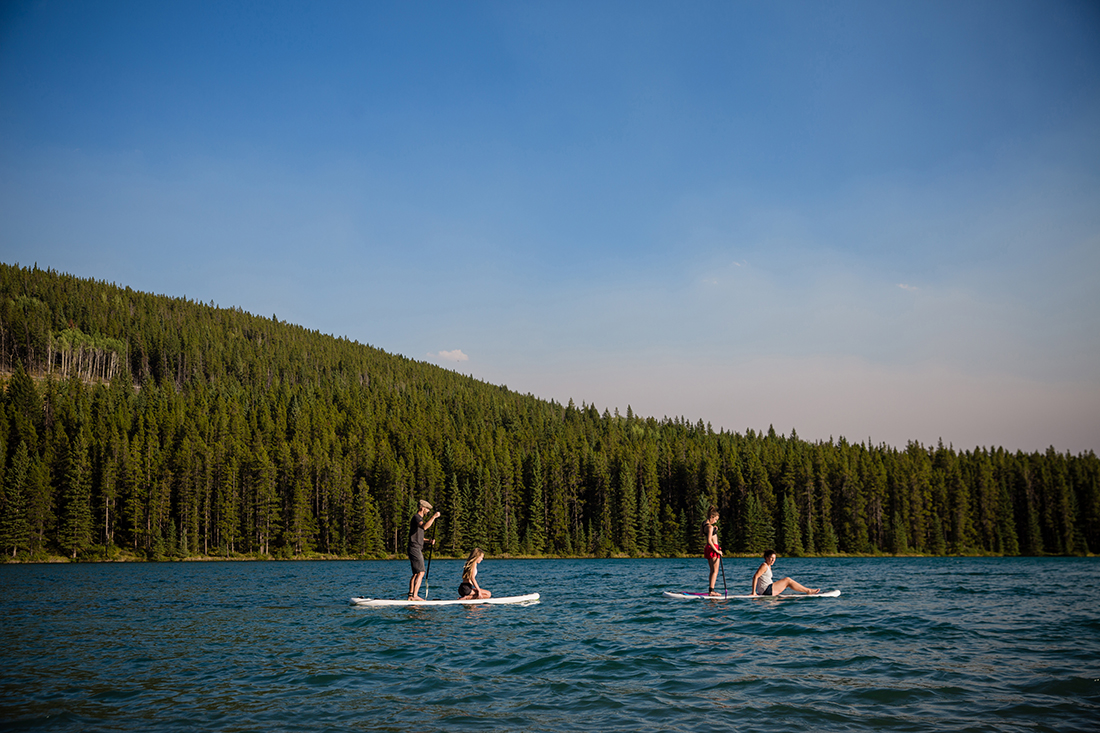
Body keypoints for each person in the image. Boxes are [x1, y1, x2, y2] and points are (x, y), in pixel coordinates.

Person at [407, 499, 440, 600]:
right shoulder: (417, 518)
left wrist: (428, 541)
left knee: (416, 573)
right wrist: (433, 517)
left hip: (415, 547)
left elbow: (419, 536)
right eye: (427, 509)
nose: (428, 511)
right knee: (421, 572)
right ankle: (415, 596)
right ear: (422, 508)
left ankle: (411, 595)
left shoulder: (418, 518)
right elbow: (425, 527)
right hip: (414, 548)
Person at [751, 549, 819, 596]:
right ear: (766, 557)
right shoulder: (764, 565)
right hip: (766, 590)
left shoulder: (768, 566)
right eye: (771, 558)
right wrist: (753, 592)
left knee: (787, 586)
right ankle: (808, 591)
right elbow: (755, 577)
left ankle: (807, 590)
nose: (773, 560)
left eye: (774, 558)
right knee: (787, 580)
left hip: (767, 590)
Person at [701, 505, 723, 596]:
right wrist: (717, 551)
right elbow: (709, 541)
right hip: (713, 548)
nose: (716, 521)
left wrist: (714, 529)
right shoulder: (710, 527)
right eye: (715, 519)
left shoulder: (704, 524)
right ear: (711, 517)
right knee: (715, 571)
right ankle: (712, 591)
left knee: (712, 571)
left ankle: (711, 590)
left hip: (709, 549)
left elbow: (702, 533)